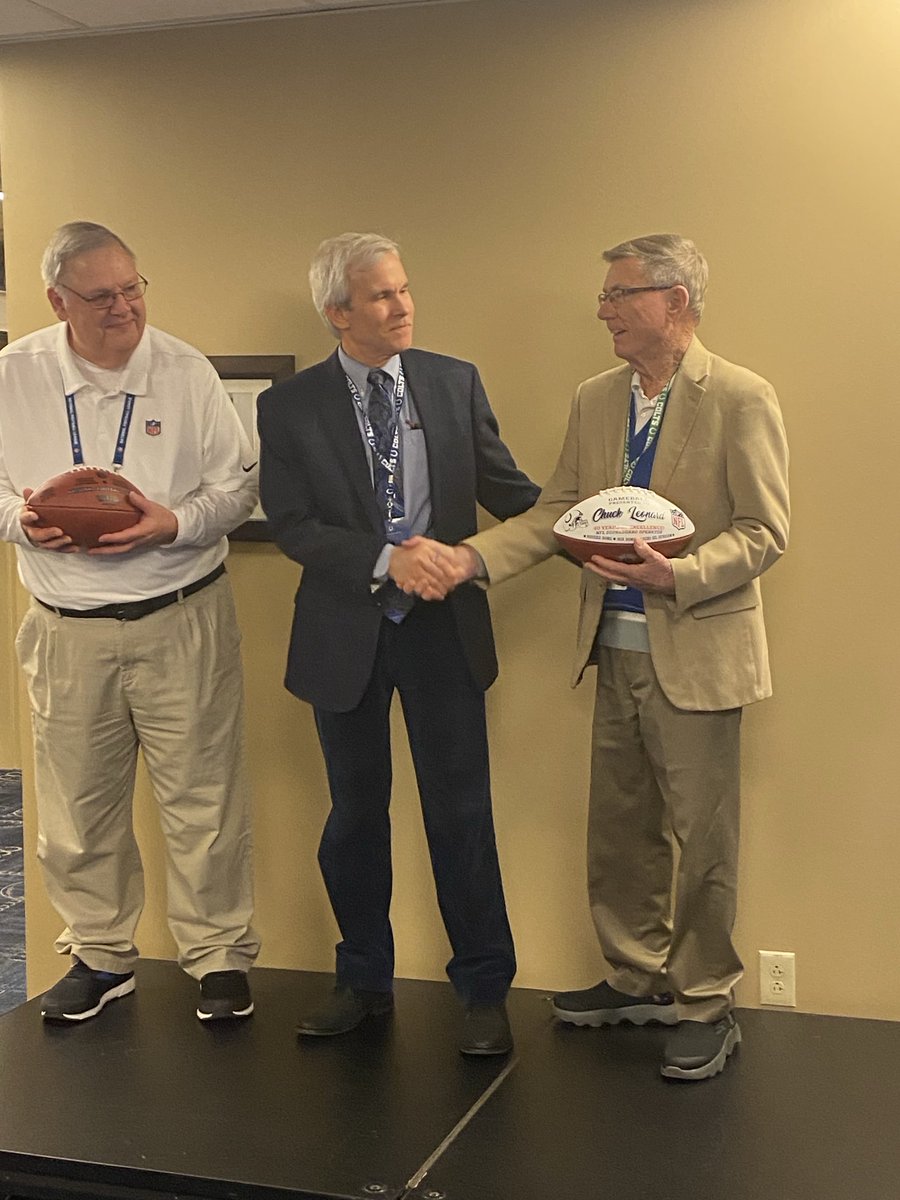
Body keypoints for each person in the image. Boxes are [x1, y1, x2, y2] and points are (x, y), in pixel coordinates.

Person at [445, 234, 789, 1080]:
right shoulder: (597, 399)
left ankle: (706, 999)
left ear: (675, 302)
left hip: (700, 651)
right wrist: (473, 558)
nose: (604, 312)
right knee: (621, 830)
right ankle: (638, 976)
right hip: (614, 647)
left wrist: (679, 575)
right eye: (603, 297)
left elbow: (765, 531)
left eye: (619, 295)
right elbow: (560, 510)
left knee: (702, 837)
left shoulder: (740, 397)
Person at [256, 232, 539, 1056]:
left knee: (461, 815)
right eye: (382, 296)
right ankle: (363, 979)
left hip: (444, 636)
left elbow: (513, 492)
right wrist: (389, 558)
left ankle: (484, 990)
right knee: (354, 816)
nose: (403, 305)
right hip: (346, 636)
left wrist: (597, 518)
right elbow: (294, 524)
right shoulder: (292, 406)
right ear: (338, 313)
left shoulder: (453, 383)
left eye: (405, 289)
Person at [0, 221, 260, 1023]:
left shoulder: (184, 372)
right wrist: (20, 519)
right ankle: (101, 953)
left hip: (180, 613)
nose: (124, 307)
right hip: (66, 624)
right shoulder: (13, 373)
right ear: (57, 301)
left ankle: (217, 956)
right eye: (102, 295)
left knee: (204, 799)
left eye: (133, 287)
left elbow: (238, 490)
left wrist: (171, 523)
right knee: (76, 803)